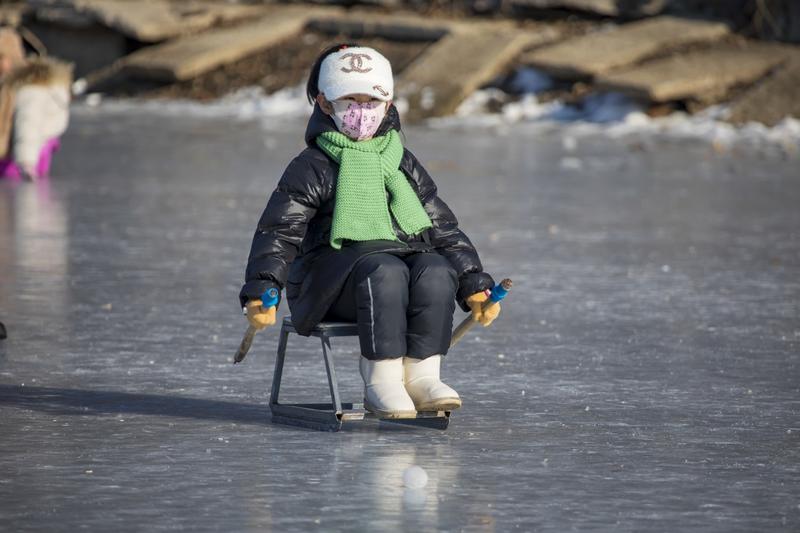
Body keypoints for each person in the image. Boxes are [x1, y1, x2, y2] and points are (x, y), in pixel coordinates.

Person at [240, 43, 501, 418]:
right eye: (350, 101)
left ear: (389, 104)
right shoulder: (313, 165)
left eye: (372, 101)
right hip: (327, 283)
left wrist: (474, 283)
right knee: (385, 269)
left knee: (435, 270)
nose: (362, 112)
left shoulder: (401, 162)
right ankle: (382, 380)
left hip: (390, 270)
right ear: (325, 103)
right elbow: (280, 230)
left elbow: (441, 226)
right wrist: (263, 287)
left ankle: (422, 376)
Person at [0, 28, 71, 181]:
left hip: (24, 158)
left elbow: (28, 123)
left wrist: (26, 162)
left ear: (12, 57)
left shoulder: (31, 89)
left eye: (1, 58)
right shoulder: (8, 86)